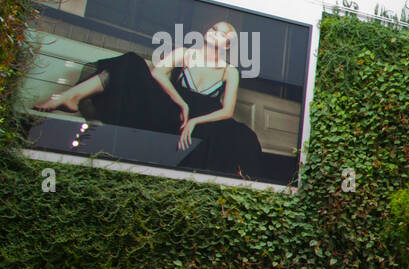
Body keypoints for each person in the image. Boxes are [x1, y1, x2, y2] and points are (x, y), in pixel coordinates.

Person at [32, 21, 265, 180]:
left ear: (227, 45)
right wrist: (182, 104)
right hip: (171, 111)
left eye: (223, 34)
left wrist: (195, 121)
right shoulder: (185, 53)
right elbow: (157, 73)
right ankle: (70, 97)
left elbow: (227, 111)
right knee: (132, 63)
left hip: (203, 123)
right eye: (214, 28)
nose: (215, 33)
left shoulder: (229, 70)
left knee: (244, 139)